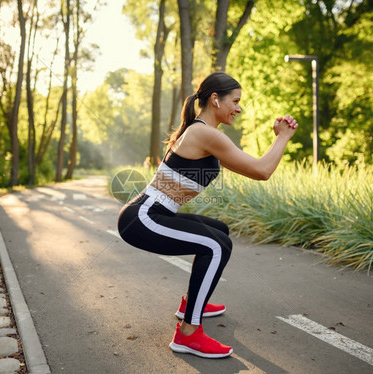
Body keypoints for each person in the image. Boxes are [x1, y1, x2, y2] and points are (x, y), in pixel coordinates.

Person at [117, 71, 298, 358]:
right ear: (215, 99)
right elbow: (262, 171)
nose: (238, 108)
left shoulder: (202, 131)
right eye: (235, 101)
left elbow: (253, 165)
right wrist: (283, 137)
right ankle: (188, 333)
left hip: (153, 213)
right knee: (215, 246)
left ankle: (191, 304)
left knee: (219, 231)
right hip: (143, 218)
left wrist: (277, 138)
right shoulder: (203, 132)